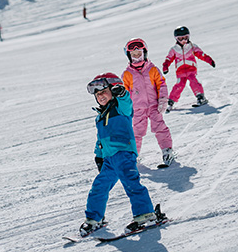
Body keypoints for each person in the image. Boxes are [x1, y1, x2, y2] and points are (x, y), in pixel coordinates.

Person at [81, 73, 157, 235]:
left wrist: (121, 93)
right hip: (108, 159)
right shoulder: (100, 117)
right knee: (99, 188)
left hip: (124, 155)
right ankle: (94, 219)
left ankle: (145, 214)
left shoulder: (120, 109)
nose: (100, 96)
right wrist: (98, 155)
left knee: (131, 184)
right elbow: (100, 139)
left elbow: (127, 103)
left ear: (113, 90)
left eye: (103, 91)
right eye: (97, 94)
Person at [121, 38, 174, 166]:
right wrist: (125, 110)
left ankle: (167, 150)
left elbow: (161, 84)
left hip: (154, 105)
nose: (137, 57)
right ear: (129, 56)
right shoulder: (127, 74)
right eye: (134, 55)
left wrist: (162, 99)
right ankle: (133, 155)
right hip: (138, 109)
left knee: (159, 127)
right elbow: (124, 94)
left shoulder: (152, 69)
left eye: (139, 53)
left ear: (145, 53)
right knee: (136, 132)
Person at [162, 26, 215, 112]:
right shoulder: (174, 49)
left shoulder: (192, 47)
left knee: (193, 81)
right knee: (179, 85)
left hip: (191, 70)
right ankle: (171, 101)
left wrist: (210, 61)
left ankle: (200, 97)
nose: (184, 41)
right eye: (181, 38)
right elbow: (168, 59)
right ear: (176, 39)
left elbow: (201, 55)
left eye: (186, 38)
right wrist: (165, 67)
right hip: (180, 71)